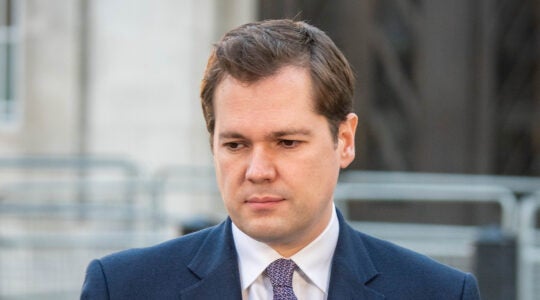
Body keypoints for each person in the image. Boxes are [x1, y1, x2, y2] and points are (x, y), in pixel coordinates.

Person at [81, 19, 481, 299]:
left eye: (286, 142)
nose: (257, 171)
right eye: (235, 145)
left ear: (344, 139)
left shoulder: (438, 292)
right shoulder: (122, 288)